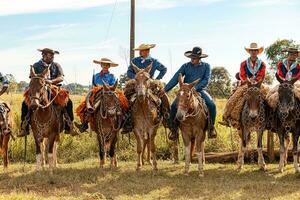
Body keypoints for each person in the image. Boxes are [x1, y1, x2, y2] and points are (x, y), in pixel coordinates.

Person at [18, 48, 78, 137]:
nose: (53, 57)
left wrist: (51, 81)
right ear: (44, 55)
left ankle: (69, 126)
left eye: (53, 55)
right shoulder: (36, 65)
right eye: (51, 55)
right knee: (25, 103)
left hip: (54, 87)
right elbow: (33, 78)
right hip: (38, 88)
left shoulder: (56, 65)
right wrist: (42, 81)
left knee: (68, 102)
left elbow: (61, 78)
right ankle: (24, 127)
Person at [161, 46, 217, 140]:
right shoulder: (185, 66)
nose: (192, 59)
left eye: (194, 58)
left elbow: (206, 80)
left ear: (199, 58)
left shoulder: (206, 66)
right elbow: (175, 78)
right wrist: (165, 89)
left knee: (211, 105)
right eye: (191, 57)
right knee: (174, 106)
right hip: (185, 91)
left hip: (200, 90)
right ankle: (173, 129)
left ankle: (211, 127)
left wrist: (196, 88)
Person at [122, 43, 169, 133]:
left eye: (145, 50)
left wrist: (156, 79)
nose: (143, 52)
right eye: (142, 50)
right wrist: (137, 77)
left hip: (150, 83)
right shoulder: (135, 61)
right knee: (125, 97)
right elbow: (129, 72)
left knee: (164, 96)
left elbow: (164, 69)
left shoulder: (154, 61)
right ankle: (127, 121)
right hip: (136, 83)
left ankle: (166, 117)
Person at [220, 42, 267, 127]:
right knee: (234, 98)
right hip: (245, 84)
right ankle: (228, 118)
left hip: (259, 84)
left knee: (268, 98)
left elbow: (262, 74)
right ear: (249, 51)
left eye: (255, 50)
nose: (253, 52)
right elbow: (242, 74)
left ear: (257, 52)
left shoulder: (262, 64)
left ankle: (270, 120)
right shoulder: (244, 63)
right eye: (252, 50)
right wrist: (248, 80)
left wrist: (256, 80)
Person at [75, 58, 118, 132]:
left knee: (120, 102)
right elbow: (94, 85)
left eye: (107, 65)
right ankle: (84, 123)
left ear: (109, 66)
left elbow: (113, 85)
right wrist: (98, 88)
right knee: (86, 104)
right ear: (101, 65)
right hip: (97, 92)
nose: (105, 66)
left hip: (108, 92)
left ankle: (123, 120)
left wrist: (106, 87)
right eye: (103, 64)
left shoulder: (112, 76)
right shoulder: (96, 75)